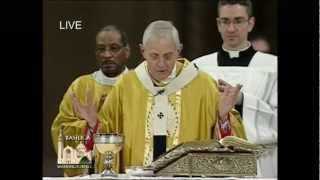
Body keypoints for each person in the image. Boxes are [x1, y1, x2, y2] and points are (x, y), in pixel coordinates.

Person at [73, 20, 247, 173]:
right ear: (142, 51)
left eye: (168, 56)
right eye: (154, 56)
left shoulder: (203, 85)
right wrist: (93, 125)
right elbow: (106, 142)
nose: (161, 64)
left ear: (179, 51)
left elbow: (232, 154)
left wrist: (224, 118)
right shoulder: (126, 86)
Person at [192, 0, 277, 178]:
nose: (231, 28)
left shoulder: (273, 67)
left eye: (238, 21)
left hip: (261, 163)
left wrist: (242, 101)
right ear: (218, 24)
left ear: (251, 23)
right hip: (211, 165)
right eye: (225, 21)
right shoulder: (198, 67)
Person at [51, 25, 130, 176]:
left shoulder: (138, 85)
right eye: (101, 49)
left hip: (128, 170)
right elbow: (60, 129)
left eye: (114, 48)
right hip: (90, 173)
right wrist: (90, 126)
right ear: (96, 54)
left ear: (127, 51)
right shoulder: (81, 86)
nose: (107, 55)